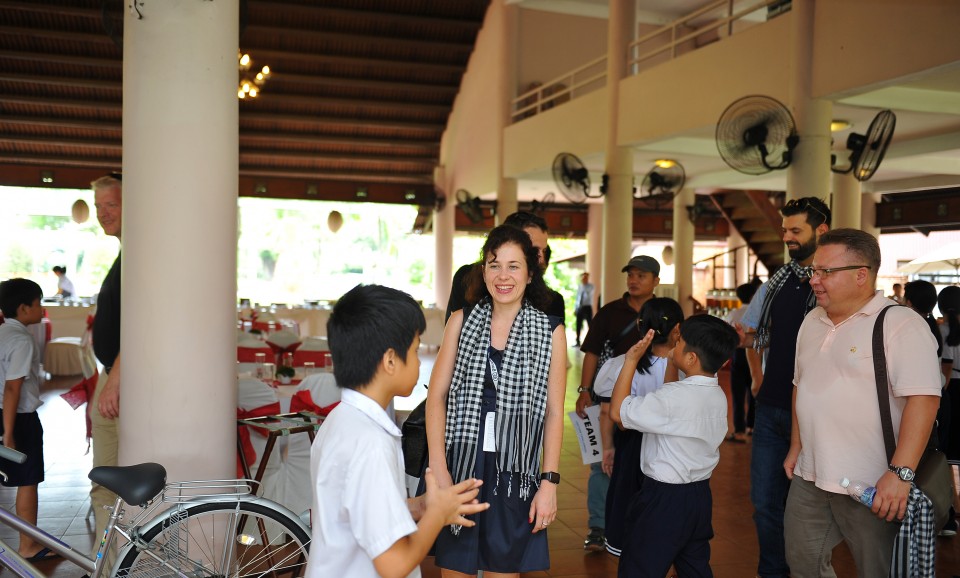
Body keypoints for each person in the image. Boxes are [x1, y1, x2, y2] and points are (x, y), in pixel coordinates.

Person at [783, 228, 941, 577]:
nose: (815, 280)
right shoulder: (812, 320)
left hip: (872, 483)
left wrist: (900, 474)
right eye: (814, 270)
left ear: (861, 275)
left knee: (878, 570)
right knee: (803, 563)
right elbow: (801, 385)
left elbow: (924, 399)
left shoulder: (900, 324)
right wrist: (797, 446)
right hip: (810, 476)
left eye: (826, 272)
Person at [305, 284, 489, 578]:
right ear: (391, 360)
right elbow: (393, 565)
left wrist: (420, 506)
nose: (418, 362)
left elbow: (358, 507)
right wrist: (437, 517)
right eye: (415, 350)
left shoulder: (341, 420)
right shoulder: (370, 442)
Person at [425, 225, 566, 577]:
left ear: (530, 273)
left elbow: (552, 414)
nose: (503, 276)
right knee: (455, 569)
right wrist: (440, 470)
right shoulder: (462, 320)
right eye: (494, 264)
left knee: (504, 570)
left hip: (514, 472)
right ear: (483, 270)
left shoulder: (551, 331)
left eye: (513, 266)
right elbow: (436, 398)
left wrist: (548, 483)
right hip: (462, 465)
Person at [737, 196, 830, 578]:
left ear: (820, 231)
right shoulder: (781, 277)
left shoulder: (830, 282)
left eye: (795, 230)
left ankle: (805, 570)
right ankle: (773, 572)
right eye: (785, 230)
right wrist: (739, 338)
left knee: (808, 505)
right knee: (764, 503)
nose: (787, 237)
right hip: (773, 404)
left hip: (812, 410)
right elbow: (751, 332)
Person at [610, 314, 739, 578]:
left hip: (662, 499)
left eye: (679, 344)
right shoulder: (716, 395)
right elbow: (672, 395)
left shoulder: (672, 399)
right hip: (698, 497)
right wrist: (673, 358)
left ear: (691, 359)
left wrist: (631, 360)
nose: (673, 347)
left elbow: (617, 413)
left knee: (639, 567)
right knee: (694, 566)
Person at [574, 254, 660, 552]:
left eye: (641, 275)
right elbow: (592, 353)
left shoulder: (661, 313)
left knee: (644, 465)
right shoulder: (610, 312)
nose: (634, 280)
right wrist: (585, 390)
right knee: (601, 465)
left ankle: (636, 524)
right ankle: (599, 526)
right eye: (631, 274)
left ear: (655, 281)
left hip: (647, 405)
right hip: (606, 401)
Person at [595, 297, 683, 557]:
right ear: (678, 329)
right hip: (670, 447)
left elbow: (606, 406)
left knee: (629, 502)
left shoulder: (626, 364)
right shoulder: (685, 366)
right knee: (664, 504)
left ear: (639, 325)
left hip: (632, 443)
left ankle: (629, 552)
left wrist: (608, 447)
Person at [0, 278, 51, 561]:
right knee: (28, 480)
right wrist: (9, 433)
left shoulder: (1, 333)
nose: (42, 309)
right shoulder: (21, 340)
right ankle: (28, 545)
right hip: (18, 419)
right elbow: (13, 387)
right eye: (38, 303)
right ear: (23, 308)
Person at [445, 211, 564, 322]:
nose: (541, 258)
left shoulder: (552, 302)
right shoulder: (466, 279)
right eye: (534, 250)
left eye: (543, 250)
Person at [89, 174, 123, 558]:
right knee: (103, 483)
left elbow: (140, 325)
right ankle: (107, 564)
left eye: (110, 205)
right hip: (111, 376)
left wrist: (115, 380)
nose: (102, 214)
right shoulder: (124, 254)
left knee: (109, 482)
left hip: (119, 380)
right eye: (98, 206)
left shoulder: (139, 254)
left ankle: (115, 565)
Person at [724, 282, 758, 443]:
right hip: (755, 352)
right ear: (753, 296)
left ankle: (738, 430)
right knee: (753, 391)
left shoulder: (734, 314)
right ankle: (752, 426)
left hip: (738, 354)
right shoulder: (757, 312)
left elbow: (726, 333)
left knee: (737, 394)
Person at [940, 285, 960, 462]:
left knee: (950, 435)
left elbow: (947, 365)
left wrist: (942, 392)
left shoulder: (943, 330)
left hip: (951, 385)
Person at [573, 272, 595, 347]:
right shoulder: (579, 286)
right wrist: (575, 308)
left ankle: (591, 341)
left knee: (590, 324)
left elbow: (588, 295)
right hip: (580, 307)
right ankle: (577, 341)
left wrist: (584, 286)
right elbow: (577, 298)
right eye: (583, 277)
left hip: (587, 307)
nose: (584, 279)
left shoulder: (591, 286)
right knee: (578, 324)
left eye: (585, 277)